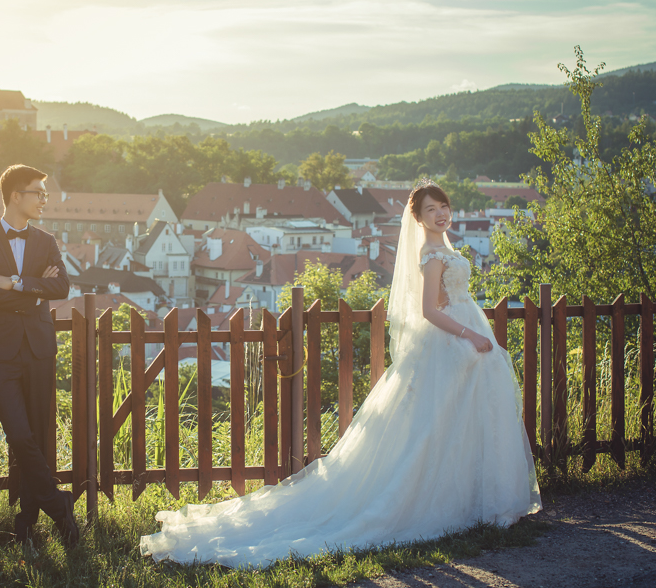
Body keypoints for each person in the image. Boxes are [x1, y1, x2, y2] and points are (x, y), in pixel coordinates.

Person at [139, 178, 541, 567]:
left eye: (443, 207)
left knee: (462, 419)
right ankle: (443, 501)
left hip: (464, 336)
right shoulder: (430, 257)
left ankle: (475, 499)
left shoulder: (447, 249)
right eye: (430, 210)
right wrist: (470, 334)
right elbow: (428, 310)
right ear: (417, 219)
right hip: (456, 337)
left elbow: (449, 299)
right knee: (433, 426)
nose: (440, 214)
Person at [0, 164, 79, 550]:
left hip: (38, 349)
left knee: (38, 435)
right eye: (38, 193)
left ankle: (27, 525)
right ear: (16, 195)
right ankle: (58, 504)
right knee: (18, 433)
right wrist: (34, 290)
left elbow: (61, 285)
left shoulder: (46, 240)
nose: (44, 200)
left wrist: (15, 283)